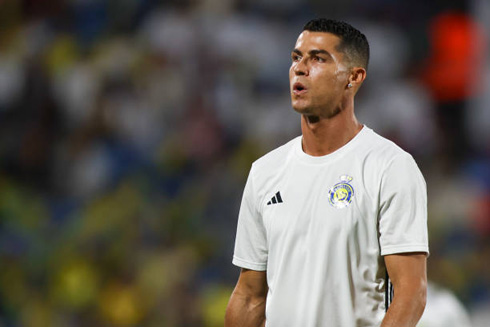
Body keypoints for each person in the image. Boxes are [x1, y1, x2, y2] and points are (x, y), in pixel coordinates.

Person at [225, 18, 429, 327]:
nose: (300, 68)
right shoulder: (265, 172)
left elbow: (411, 293)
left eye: (318, 58)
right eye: (296, 58)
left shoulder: (389, 167)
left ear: (353, 77)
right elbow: (250, 296)